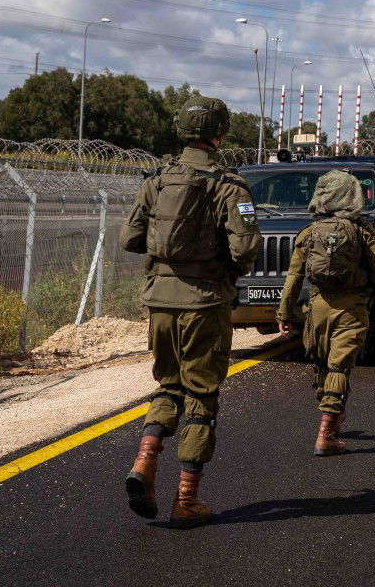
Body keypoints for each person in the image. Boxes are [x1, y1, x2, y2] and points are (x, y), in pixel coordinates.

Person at [119, 96, 261, 529]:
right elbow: (246, 247)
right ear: (219, 133)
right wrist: (224, 272)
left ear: (182, 129)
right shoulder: (230, 186)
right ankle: (186, 500)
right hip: (204, 302)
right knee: (201, 394)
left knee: (168, 385)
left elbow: (130, 238)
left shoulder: (156, 180)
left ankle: (145, 460)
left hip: (159, 299)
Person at [277, 170, 375, 456]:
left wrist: (284, 313)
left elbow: (293, 278)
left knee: (322, 365)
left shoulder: (308, 233)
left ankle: (333, 414)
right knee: (339, 367)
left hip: (317, 309)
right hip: (351, 309)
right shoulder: (362, 231)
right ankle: (325, 434)